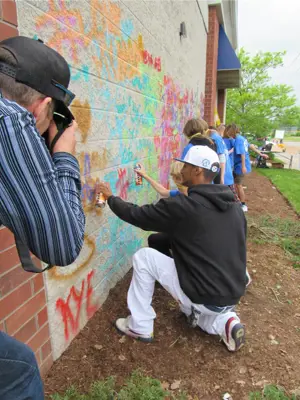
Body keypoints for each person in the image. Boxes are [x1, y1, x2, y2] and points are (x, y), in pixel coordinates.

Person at [0, 36, 85, 399]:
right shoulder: (12, 121)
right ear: (42, 107)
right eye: (54, 116)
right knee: (19, 374)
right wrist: (64, 156)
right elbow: (63, 246)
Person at [97, 145, 247, 352]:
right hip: (232, 293)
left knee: (144, 257)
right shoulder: (235, 208)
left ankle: (139, 326)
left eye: (185, 165)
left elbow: (138, 215)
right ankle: (227, 321)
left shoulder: (184, 206)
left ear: (197, 171)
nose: (181, 170)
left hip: (205, 294)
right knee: (200, 313)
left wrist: (111, 197)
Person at [232, 126, 268, 212]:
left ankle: (243, 204)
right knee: (237, 185)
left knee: (239, 185)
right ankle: (238, 201)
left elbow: (242, 153)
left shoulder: (239, 139)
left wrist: (243, 166)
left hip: (240, 166)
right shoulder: (242, 138)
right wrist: (261, 153)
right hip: (239, 165)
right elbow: (251, 146)